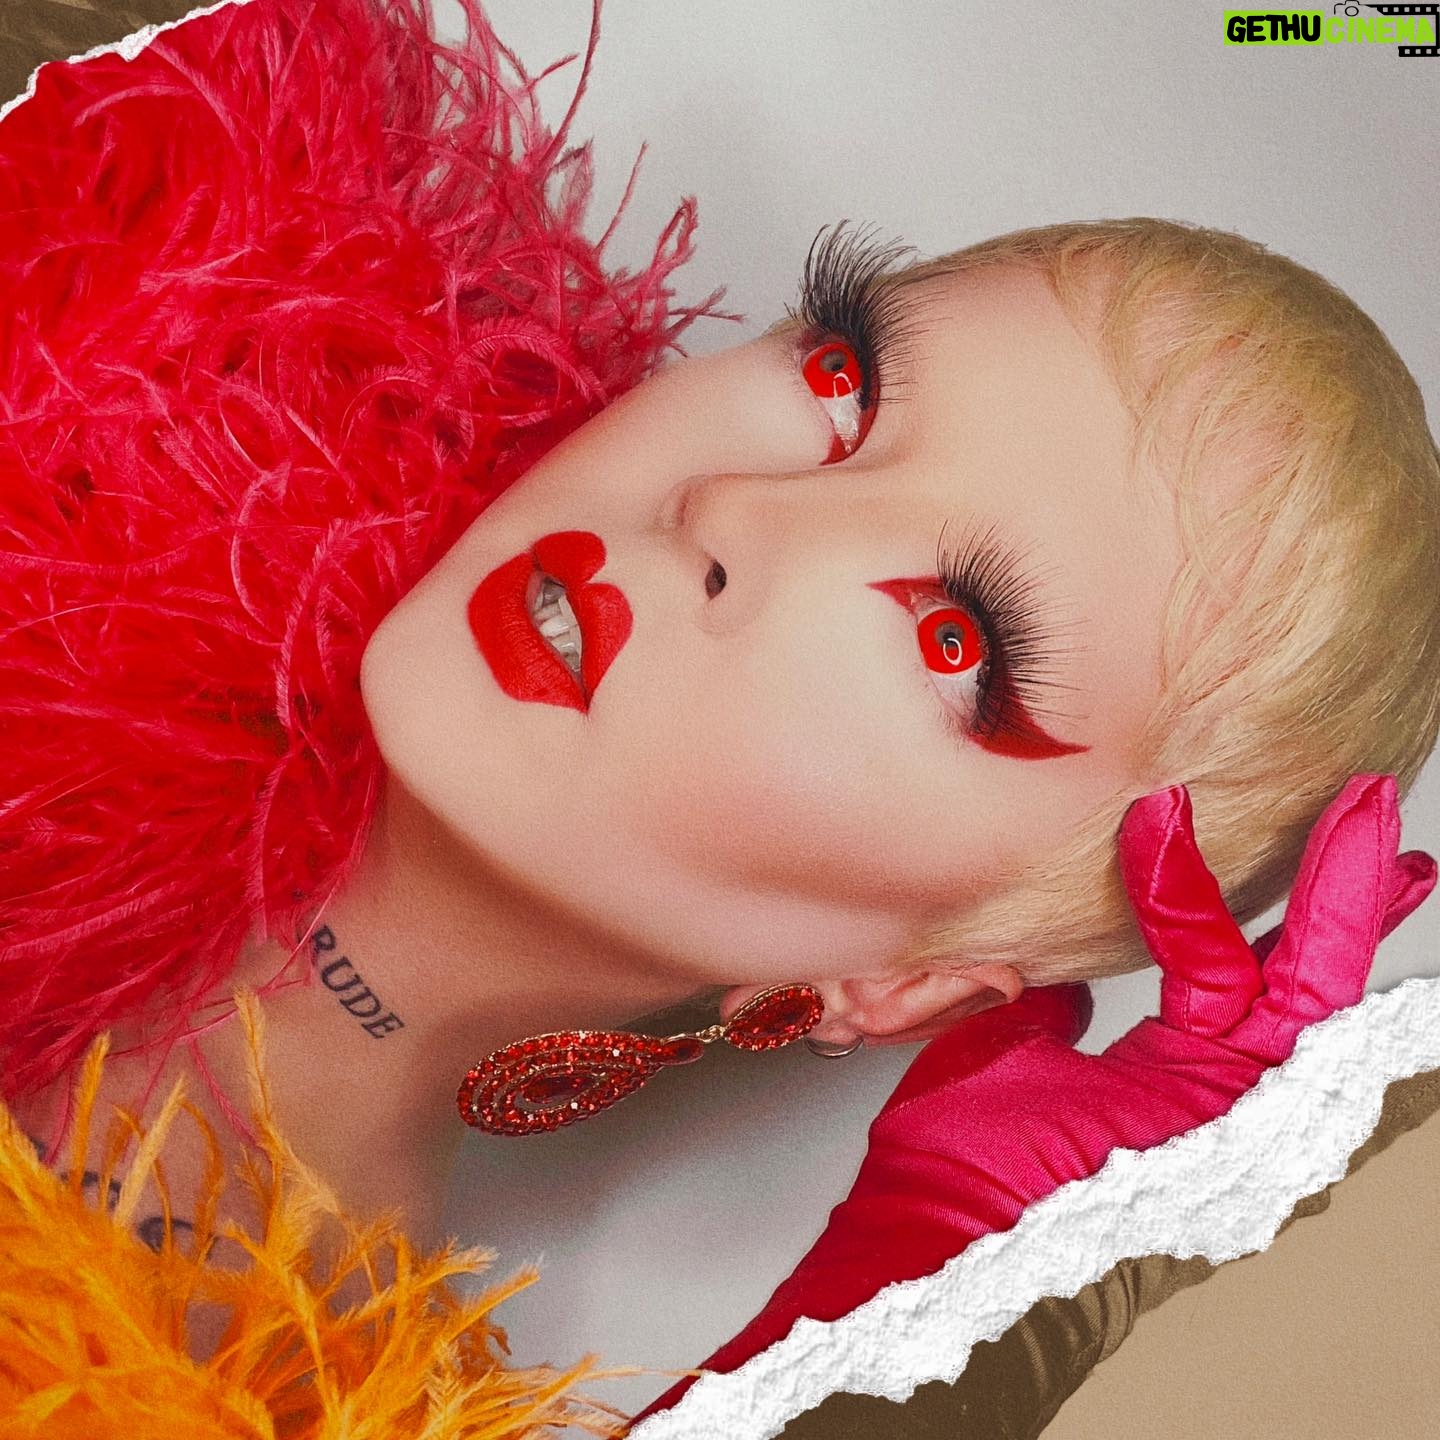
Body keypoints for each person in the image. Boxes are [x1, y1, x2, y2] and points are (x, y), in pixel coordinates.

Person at [1, 0, 1437, 1431]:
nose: (732, 507)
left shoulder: (284, 1399)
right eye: (843, 383)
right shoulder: (111, 295)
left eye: (950, 639)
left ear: (909, 989)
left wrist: (914, 1320)